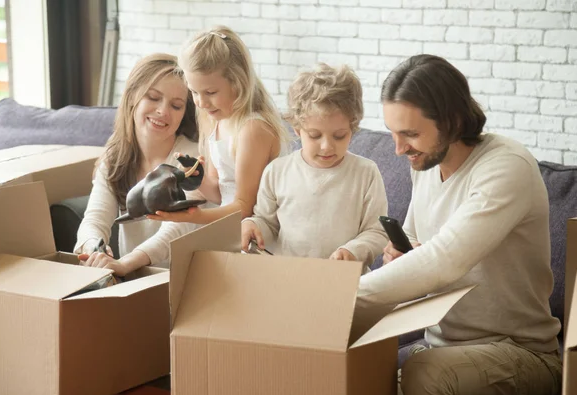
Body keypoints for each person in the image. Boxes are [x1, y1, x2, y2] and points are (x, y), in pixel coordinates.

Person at [355, 54, 562, 395]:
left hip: (521, 352)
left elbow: (444, 260)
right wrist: (402, 254)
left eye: (410, 134)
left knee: (425, 374)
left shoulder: (507, 167)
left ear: (451, 121)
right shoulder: (423, 163)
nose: (398, 148)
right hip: (440, 346)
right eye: (393, 132)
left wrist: (343, 298)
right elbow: (418, 246)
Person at [240, 63, 388, 270]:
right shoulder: (277, 171)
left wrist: (353, 250)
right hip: (291, 277)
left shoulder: (366, 173)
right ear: (297, 128)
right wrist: (253, 225)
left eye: (339, 136)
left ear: (353, 128)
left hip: (345, 280)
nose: (327, 146)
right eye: (315, 135)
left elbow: (377, 232)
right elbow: (267, 222)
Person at [74, 53, 203, 276]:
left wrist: (125, 264)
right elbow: (94, 219)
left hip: (187, 282)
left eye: (176, 105)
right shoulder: (115, 158)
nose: (163, 111)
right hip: (135, 282)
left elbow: (175, 231)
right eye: (153, 97)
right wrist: (94, 250)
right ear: (133, 96)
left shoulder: (192, 159)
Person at [147, 26, 289, 226]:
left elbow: (245, 207)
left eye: (211, 92)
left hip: (259, 233)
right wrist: (197, 179)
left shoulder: (252, 129)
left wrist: (195, 217)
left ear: (238, 83)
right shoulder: (217, 120)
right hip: (231, 228)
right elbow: (219, 193)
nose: (201, 103)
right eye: (194, 92)